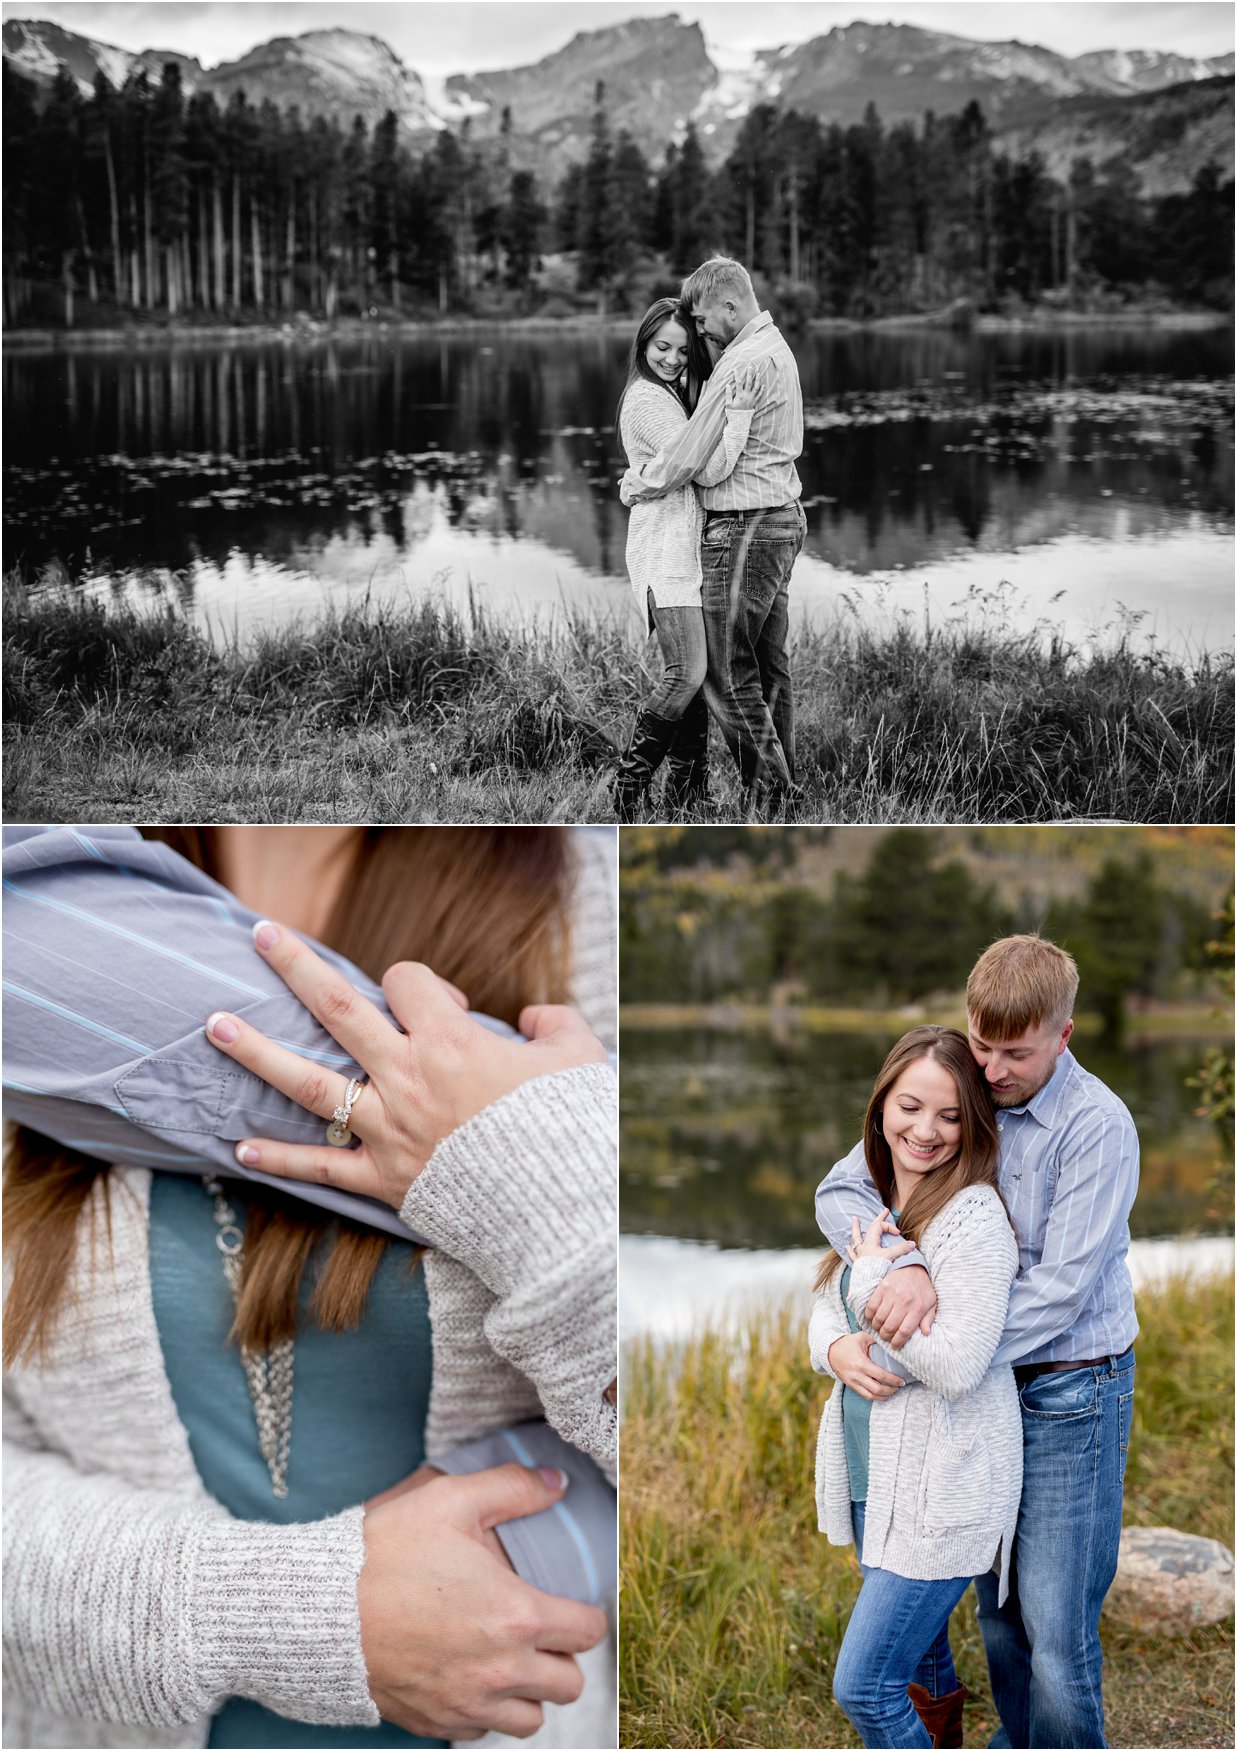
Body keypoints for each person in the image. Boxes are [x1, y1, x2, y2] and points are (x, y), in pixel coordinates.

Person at [3, 823, 618, 1749]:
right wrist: (276, 1614)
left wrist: (516, 1155)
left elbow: (668, 1430)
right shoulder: (32, 926)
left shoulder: (588, 900)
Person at [816, 936, 1139, 1750]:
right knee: (998, 1616)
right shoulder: (962, 1086)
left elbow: (1061, 1291)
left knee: (1055, 1628)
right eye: (982, 1044)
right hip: (982, 1392)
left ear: (1062, 1035)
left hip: (1070, 1384)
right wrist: (908, 1264)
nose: (992, 1069)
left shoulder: (1095, 1126)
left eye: (1016, 1053)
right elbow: (847, 1187)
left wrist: (929, 1337)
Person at [810, 1025, 1021, 1749]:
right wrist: (834, 1346)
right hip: (876, 1475)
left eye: (950, 1114)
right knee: (920, 1665)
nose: (924, 1130)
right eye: (909, 1106)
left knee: (864, 1684)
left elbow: (960, 1364)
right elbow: (824, 1304)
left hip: (943, 1488)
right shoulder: (871, 1198)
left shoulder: (973, 1219)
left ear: (973, 1121)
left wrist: (875, 1276)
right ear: (878, 1107)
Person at [620, 257, 806, 815]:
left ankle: (774, 800)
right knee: (765, 666)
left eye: (699, 325)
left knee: (726, 673)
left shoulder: (739, 362)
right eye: (669, 346)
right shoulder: (773, 347)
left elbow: (691, 463)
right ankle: (767, 787)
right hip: (776, 518)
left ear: (729, 306)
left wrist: (636, 483)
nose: (695, 338)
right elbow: (691, 452)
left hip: (749, 525)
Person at [612, 296, 759, 819]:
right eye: (661, 347)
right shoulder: (649, 402)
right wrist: (738, 416)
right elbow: (709, 470)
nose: (672, 359)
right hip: (663, 557)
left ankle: (687, 792)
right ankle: (628, 786)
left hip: (682, 554)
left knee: (694, 684)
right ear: (643, 345)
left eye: (681, 349)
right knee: (687, 672)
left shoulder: (674, 395)